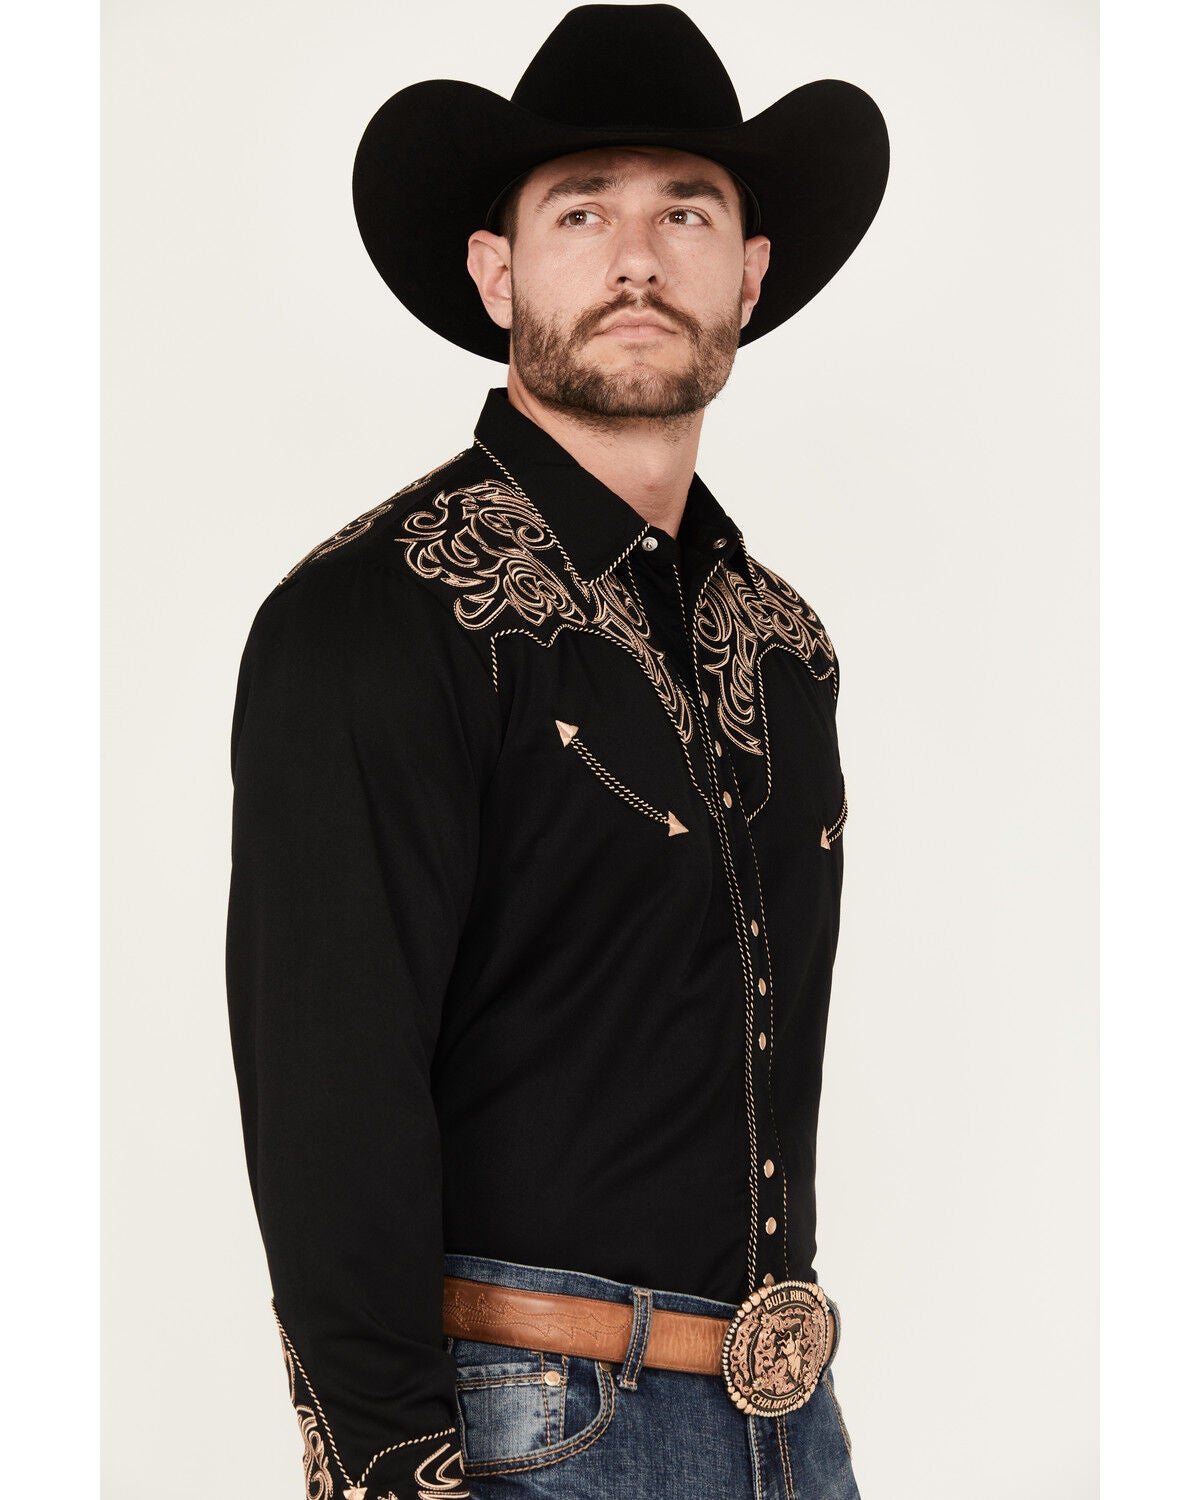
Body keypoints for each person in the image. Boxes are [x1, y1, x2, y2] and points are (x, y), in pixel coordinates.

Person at [224, 5, 889, 1497]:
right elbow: (330, 1095)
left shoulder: (786, 647)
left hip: (792, 1424)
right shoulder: (381, 613)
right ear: (497, 270)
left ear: (750, 274)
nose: (637, 258)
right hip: (528, 1430)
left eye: (686, 212)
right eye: (582, 213)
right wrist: (393, 1471)